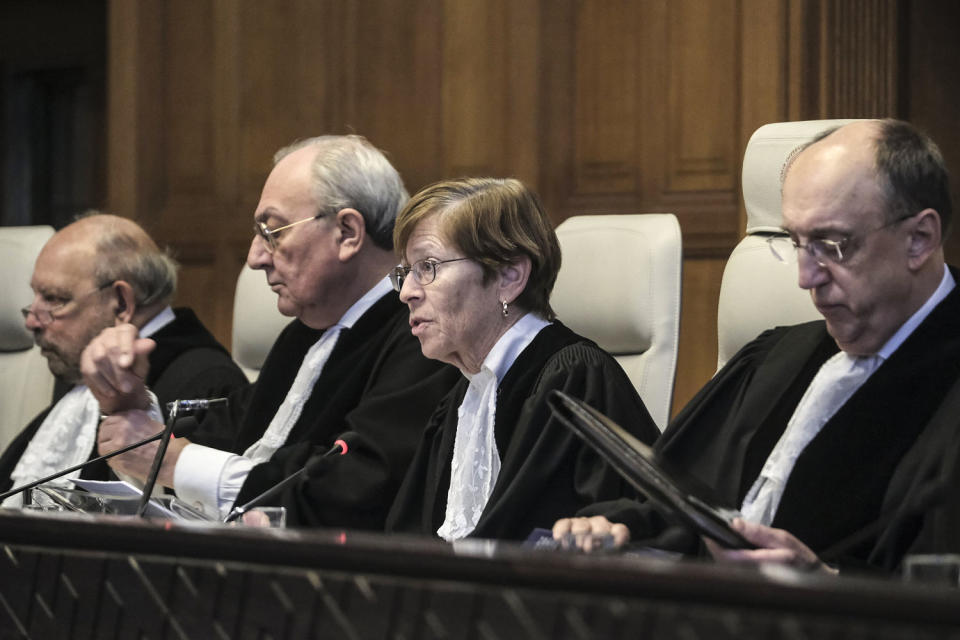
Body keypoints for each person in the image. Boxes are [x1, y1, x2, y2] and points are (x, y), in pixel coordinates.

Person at [553, 119, 960, 573]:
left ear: (919, 239)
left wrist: (824, 582)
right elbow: (682, 504)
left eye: (832, 244)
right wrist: (621, 526)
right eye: (796, 243)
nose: (806, 277)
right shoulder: (778, 358)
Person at [82, 135, 460, 528]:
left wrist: (172, 460)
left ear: (348, 232)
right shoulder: (303, 334)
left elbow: (359, 486)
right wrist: (131, 404)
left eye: (273, 231)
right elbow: (228, 436)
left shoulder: (421, 336)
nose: (254, 257)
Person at [383, 177, 660, 541]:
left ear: (509, 276)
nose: (406, 293)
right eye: (405, 273)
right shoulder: (463, 399)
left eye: (428, 267)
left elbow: (640, 527)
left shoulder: (575, 381)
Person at [0, 213, 247, 507]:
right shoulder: (83, 370)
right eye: (36, 297)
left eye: (54, 299)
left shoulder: (208, 383)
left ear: (121, 303)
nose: (32, 322)